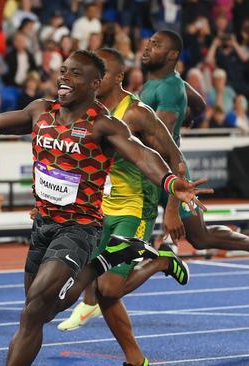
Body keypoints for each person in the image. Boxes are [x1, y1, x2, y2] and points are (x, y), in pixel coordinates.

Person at [0, 50, 209, 366]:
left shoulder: (104, 126)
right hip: (43, 226)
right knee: (37, 312)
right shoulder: (41, 111)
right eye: (63, 70)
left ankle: (100, 261)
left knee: (34, 310)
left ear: (95, 84)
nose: (64, 77)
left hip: (79, 228)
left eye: (75, 73)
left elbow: (142, 155)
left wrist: (171, 183)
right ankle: (103, 262)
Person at [88, 30, 249, 366]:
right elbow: (200, 103)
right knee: (198, 238)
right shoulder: (155, 85)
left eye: (157, 45)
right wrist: (189, 117)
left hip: (169, 178)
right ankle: (114, 305)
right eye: (147, 44)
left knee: (199, 236)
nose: (148, 48)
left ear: (174, 55)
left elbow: (165, 150)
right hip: (147, 177)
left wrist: (172, 209)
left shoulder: (167, 89)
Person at [57, 48, 191, 339]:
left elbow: (173, 155)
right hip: (100, 205)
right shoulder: (89, 111)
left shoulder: (137, 113)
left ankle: (162, 261)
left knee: (110, 288)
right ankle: (103, 321)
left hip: (135, 205)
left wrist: (172, 210)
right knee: (85, 271)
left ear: (117, 78)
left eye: (99, 74)